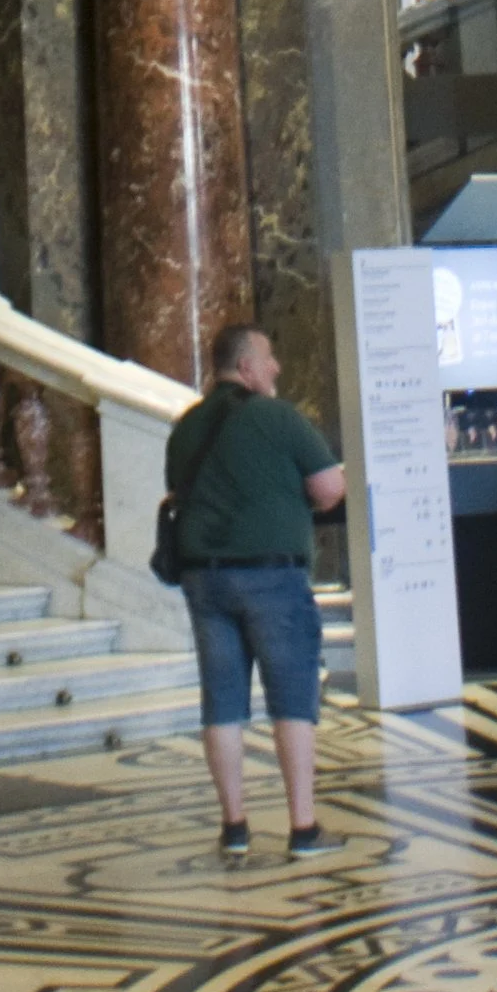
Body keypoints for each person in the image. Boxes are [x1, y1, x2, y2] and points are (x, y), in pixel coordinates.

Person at [164, 322, 347, 864]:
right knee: (292, 697)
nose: (277, 369)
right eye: (269, 359)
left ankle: (235, 826)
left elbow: (180, 491)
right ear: (246, 366)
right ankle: (302, 826)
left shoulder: (186, 429)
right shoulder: (279, 418)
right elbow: (330, 488)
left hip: (203, 578)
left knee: (221, 701)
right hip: (273, 576)